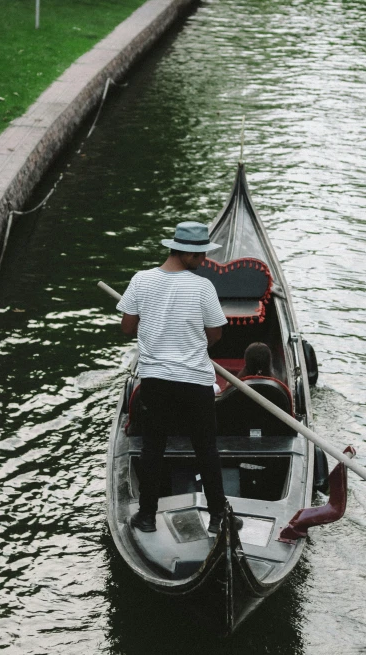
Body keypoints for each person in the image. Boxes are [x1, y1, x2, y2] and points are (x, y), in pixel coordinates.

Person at [117, 220, 243, 535]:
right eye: (200, 255)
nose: (203, 261)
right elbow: (215, 335)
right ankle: (218, 518)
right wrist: (190, 339)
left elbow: (128, 328)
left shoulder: (141, 280)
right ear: (186, 253)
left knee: (152, 448)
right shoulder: (202, 287)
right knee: (206, 449)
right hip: (195, 380)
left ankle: (146, 516)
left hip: (155, 380)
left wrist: (156, 325)